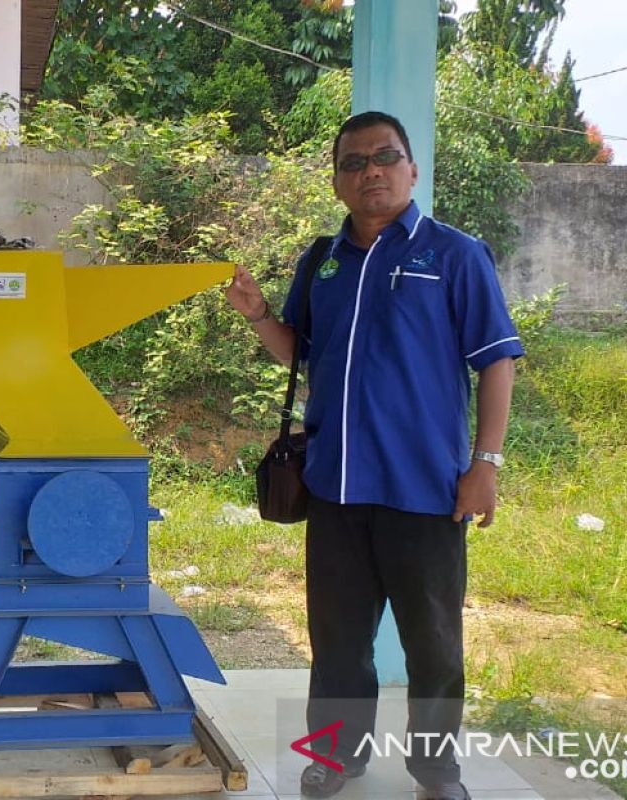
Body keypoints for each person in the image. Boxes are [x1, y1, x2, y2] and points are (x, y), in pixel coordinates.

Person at [226, 111, 521, 800]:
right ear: (337, 181)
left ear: (412, 169)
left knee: (435, 650)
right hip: (335, 489)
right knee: (336, 646)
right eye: (354, 163)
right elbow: (304, 352)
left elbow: (498, 361)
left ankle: (437, 772)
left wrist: (487, 464)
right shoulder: (323, 260)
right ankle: (335, 757)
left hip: (427, 493)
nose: (371, 172)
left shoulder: (454, 255)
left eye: (385, 157)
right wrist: (258, 315)